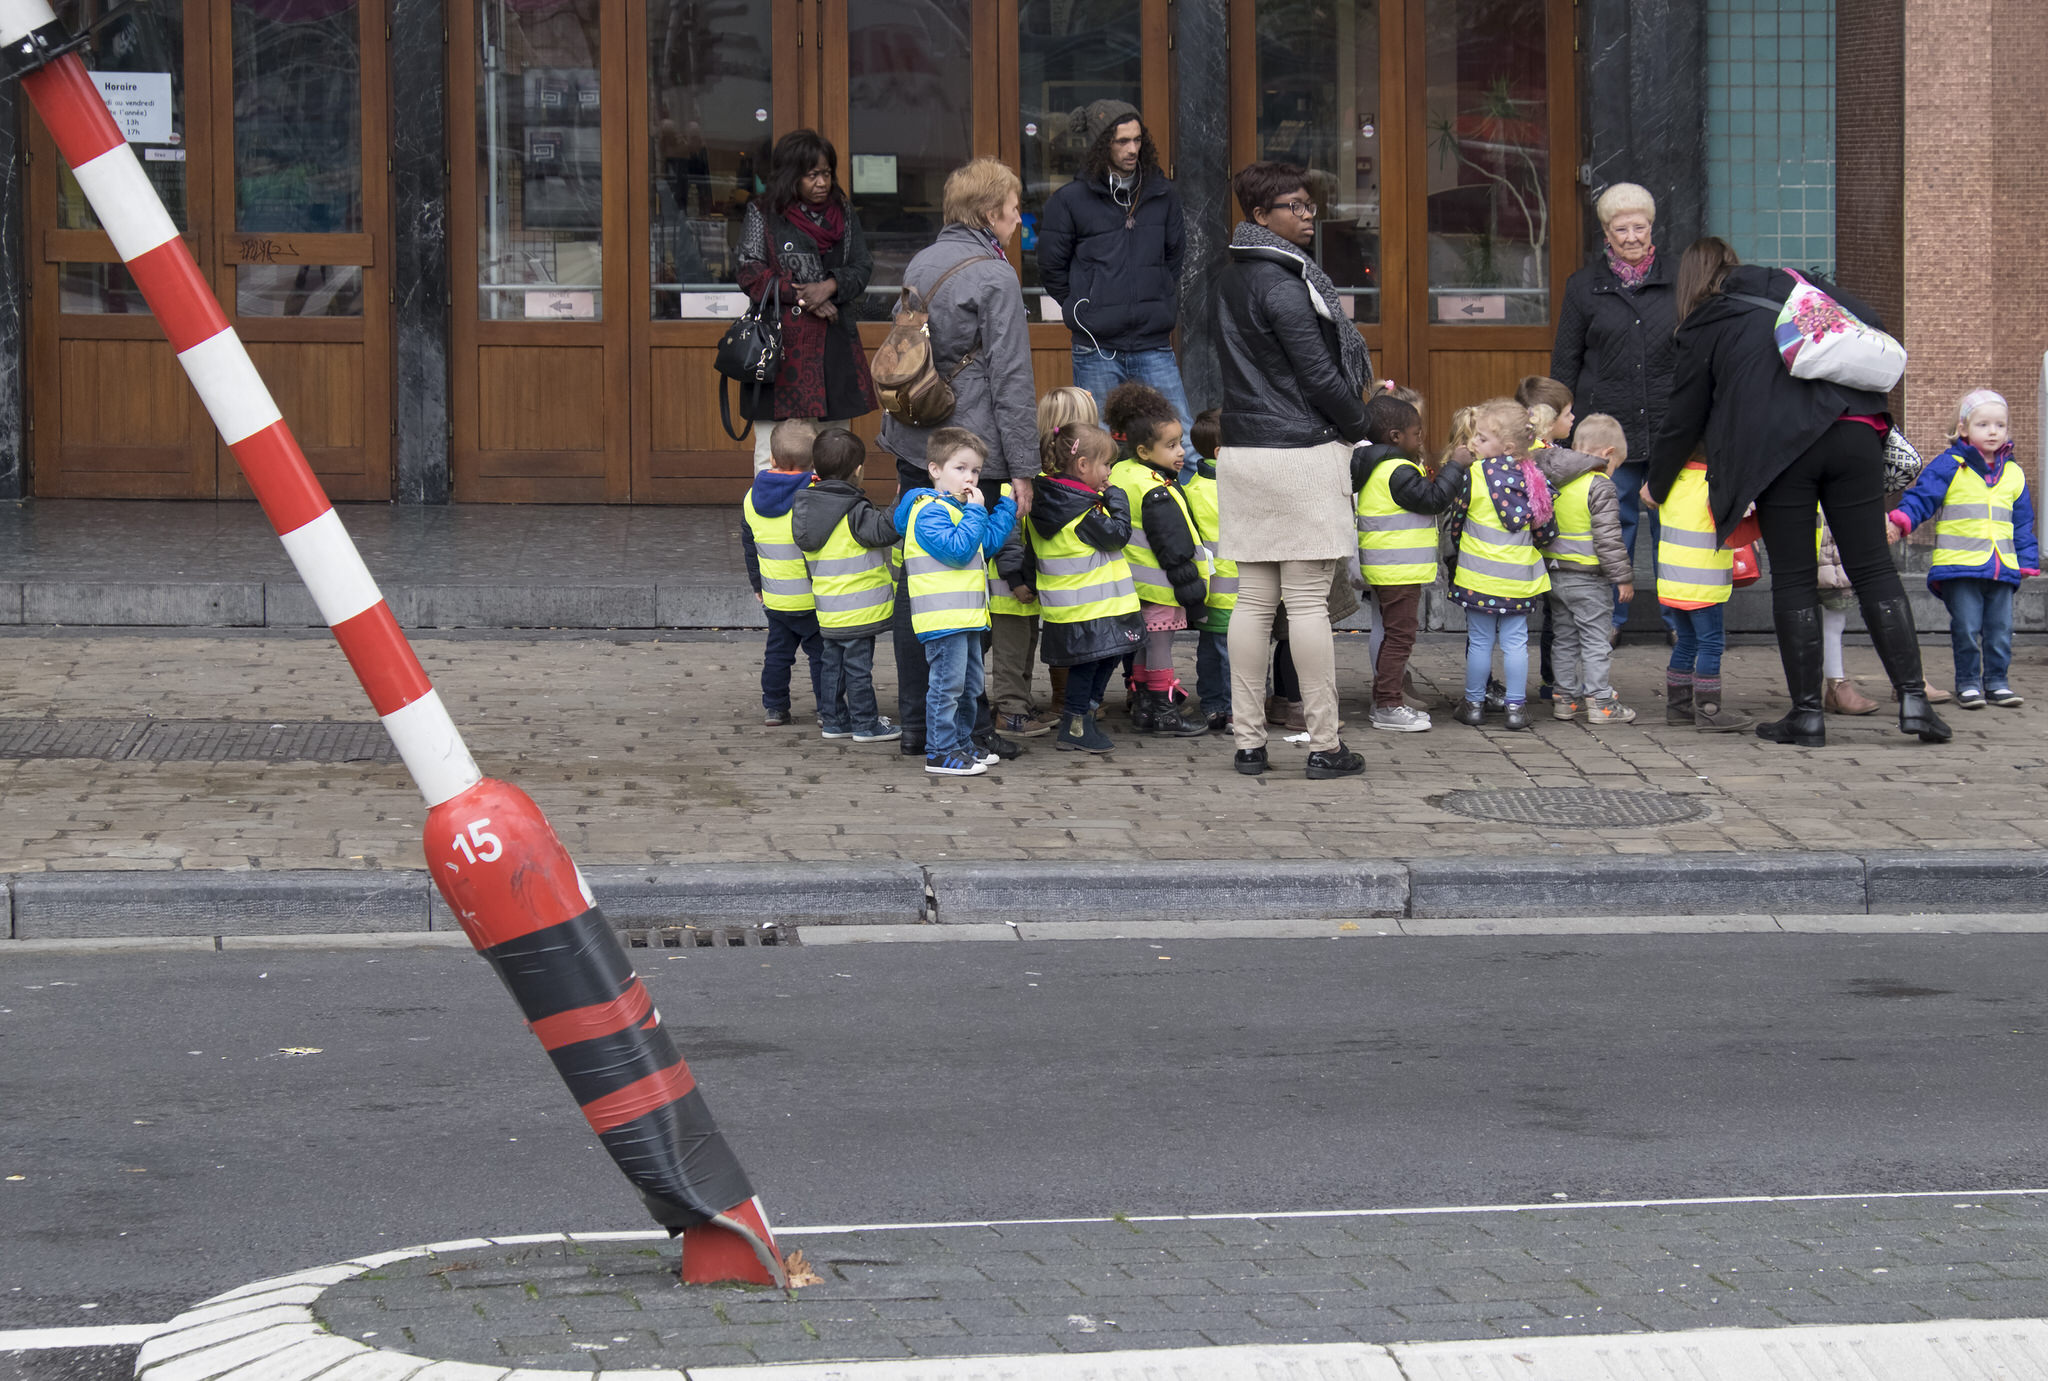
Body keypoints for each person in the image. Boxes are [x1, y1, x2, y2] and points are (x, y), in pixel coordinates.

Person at [1647, 236, 1949, 747]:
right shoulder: (1793, 284)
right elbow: (1869, 315)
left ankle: (1807, 714)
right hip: (1855, 429)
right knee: (1873, 567)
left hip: (1783, 450)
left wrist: (1656, 484)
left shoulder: (1705, 323)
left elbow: (1683, 418)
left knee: (1794, 578)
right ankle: (1915, 701)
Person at [1215, 161, 1373, 780]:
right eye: (1294, 206)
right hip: (1301, 451)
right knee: (1305, 601)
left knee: (1252, 600)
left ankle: (1249, 744)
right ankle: (1325, 746)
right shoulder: (1286, 284)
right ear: (1261, 216)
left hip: (1245, 451)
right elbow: (1319, 376)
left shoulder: (1228, 280)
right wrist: (1363, 425)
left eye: (1310, 205)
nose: (1308, 215)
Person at [882, 158, 1039, 760]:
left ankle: (919, 724)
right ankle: (968, 730)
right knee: (969, 586)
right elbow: (1012, 380)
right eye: (1013, 207)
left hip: (916, 442)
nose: (1018, 217)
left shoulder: (923, 261)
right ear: (987, 212)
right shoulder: (995, 278)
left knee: (916, 582)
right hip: (974, 452)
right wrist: (1022, 467)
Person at [1551, 183, 1679, 632]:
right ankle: (1608, 620)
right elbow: (1566, 359)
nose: (1631, 236)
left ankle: (1678, 620)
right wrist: (1558, 423)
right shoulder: (1584, 286)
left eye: (1639, 227)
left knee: (1673, 529)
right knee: (1611, 526)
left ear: (1652, 227)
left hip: (1668, 426)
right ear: (1606, 232)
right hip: (1608, 431)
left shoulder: (1678, 278)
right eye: (1620, 228)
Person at [1036, 100, 1191, 439]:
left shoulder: (1162, 194)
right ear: (1101, 144)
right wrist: (1084, 307)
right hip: (1096, 346)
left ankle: (1181, 496)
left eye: (1137, 140)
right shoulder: (1070, 200)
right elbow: (1051, 267)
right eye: (1122, 141)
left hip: (1153, 342)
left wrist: (1157, 293)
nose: (1132, 149)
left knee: (1182, 441)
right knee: (1099, 444)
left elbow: (1174, 257)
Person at [735, 131, 878, 473]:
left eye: (826, 173)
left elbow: (862, 266)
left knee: (836, 444)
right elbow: (749, 271)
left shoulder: (842, 211)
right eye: (812, 175)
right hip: (779, 348)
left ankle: (832, 515)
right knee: (773, 446)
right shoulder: (763, 213)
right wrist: (804, 295)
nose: (822, 182)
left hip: (833, 343)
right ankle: (769, 520)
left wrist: (829, 286)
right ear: (791, 175)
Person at [1888, 389, 2039, 711]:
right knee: (1967, 629)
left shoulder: (2013, 473)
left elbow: (2022, 522)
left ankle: (1997, 682)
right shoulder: (1949, 465)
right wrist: (1902, 520)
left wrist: (2026, 560)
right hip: (1959, 565)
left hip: (2001, 567)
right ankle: (1969, 684)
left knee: (2000, 632)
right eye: (1984, 424)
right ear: (1963, 429)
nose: (1994, 431)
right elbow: (1922, 497)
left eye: (2000, 425)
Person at [891, 428, 1018, 778]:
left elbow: (985, 544)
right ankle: (940, 751)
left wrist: (1006, 506)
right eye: (960, 469)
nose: (970, 478)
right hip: (942, 619)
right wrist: (978, 513)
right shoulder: (927, 511)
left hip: (967, 617)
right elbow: (959, 551)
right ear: (935, 470)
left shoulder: (959, 509)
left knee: (968, 687)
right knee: (946, 688)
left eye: (975, 471)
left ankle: (962, 744)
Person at [988, 387, 1098, 741]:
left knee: (1024, 648)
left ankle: (1019, 703)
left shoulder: (1041, 473)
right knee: (1011, 652)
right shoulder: (1026, 476)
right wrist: (1016, 576)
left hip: (1025, 583)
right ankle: (1011, 712)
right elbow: (1009, 530)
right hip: (1010, 585)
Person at [1030, 422, 1145, 753]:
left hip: (1075, 607)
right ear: (1083, 466)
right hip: (1093, 606)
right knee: (1089, 665)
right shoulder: (1079, 510)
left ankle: (1085, 716)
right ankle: (1077, 723)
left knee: (1105, 658)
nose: (1110, 472)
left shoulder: (1056, 500)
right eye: (1107, 465)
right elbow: (1118, 535)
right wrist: (1116, 498)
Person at [1102, 383, 1209, 736]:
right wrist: (1192, 591)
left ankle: (1144, 705)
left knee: (1144, 647)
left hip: (1135, 585)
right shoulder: (1155, 488)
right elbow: (1174, 547)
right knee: (1161, 648)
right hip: (1162, 588)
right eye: (1172, 445)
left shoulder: (1120, 472)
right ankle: (1165, 711)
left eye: (1180, 443)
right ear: (1145, 450)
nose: (1181, 453)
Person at [1351, 393, 1462, 733]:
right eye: (1417, 434)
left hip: (1387, 567)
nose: (1421, 440)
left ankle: (1386, 699)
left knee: (1392, 635)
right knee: (1400, 637)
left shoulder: (1372, 465)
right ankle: (1387, 704)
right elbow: (1434, 499)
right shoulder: (1396, 469)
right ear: (1395, 437)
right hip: (1397, 569)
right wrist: (1455, 466)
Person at [1446, 399, 1556, 731]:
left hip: (1478, 576)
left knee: (1480, 641)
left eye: (1481, 438)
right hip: (1518, 578)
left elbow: (1456, 521)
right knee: (1516, 642)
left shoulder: (1473, 475)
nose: (1472, 444)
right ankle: (1516, 708)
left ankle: (1474, 704)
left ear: (1505, 446)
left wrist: (1456, 547)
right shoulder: (1534, 478)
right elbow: (1546, 529)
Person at [792, 427, 900, 743]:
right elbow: (883, 533)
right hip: (859, 610)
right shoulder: (854, 510)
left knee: (832, 667)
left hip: (828, 609)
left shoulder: (804, 510)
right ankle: (866, 724)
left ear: (816, 470)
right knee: (857, 669)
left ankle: (834, 720)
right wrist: (899, 500)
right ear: (858, 471)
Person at [1535, 413, 1637, 724]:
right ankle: (1601, 702)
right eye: (1616, 463)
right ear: (1607, 454)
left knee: (1564, 637)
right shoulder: (1599, 484)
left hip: (1555, 573)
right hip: (1588, 578)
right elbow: (1609, 538)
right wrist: (1623, 578)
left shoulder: (1555, 478)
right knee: (1596, 638)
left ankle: (1565, 699)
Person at [739, 419, 824, 726]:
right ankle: (827, 710)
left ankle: (775, 707)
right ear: (813, 461)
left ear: (772, 459)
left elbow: (750, 548)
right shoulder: (815, 493)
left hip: (775, 597)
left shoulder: (751, 498)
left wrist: (757, 584)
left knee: (777, 655)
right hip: (813, 599)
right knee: (821, 657)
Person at [1517, 376, 1578, 702]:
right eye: (1568, 414)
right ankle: (1553, 681)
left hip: (1536, 548)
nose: (1572, 420)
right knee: (1554, 616)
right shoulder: (1546, 456)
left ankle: (1550, 681)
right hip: (1543, 547)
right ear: (1548, 420)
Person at [1183, 408, 1235, 733]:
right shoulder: (1238, 489)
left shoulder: (1190, 490)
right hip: (1240, 597)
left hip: (1205, 594)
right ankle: (1237, 711)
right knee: (1237, 658)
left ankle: (1212, 707)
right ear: (1221, 452)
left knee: (1209, 654)